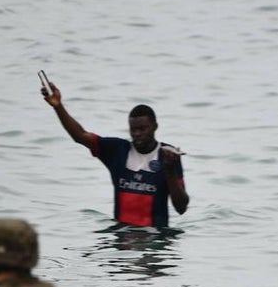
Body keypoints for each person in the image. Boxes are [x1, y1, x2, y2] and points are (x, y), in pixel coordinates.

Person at [39, 71, 189, 228]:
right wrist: (58, 106)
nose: (137, 134)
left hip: (155, 243)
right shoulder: (118, 151)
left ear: (155, 127)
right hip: (121, 243)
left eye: (142, 129)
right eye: (133, 129)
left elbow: (181, 208)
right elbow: (80, 136)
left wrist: (170, 171)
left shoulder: (168, 156)